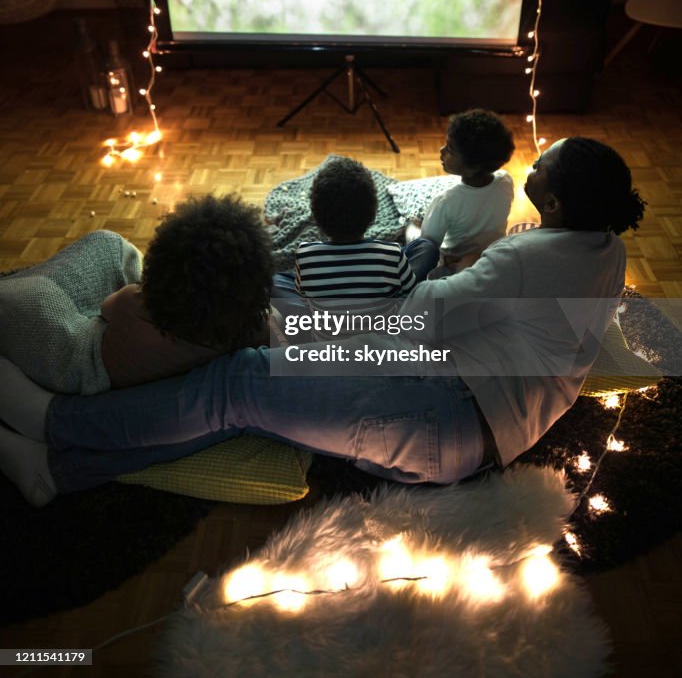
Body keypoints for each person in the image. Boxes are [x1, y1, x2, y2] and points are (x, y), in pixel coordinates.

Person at [0, 138, 645, 508]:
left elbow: (424, 313)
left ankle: (55, 425)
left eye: (543, 165)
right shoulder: (605, 248)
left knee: (239, 383)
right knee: (262, 386)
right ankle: (59, 470)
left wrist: (412, 282)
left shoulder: (527, 256)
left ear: (554, 201)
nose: (530, 165)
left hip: (442, 415)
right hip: (458, 405)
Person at [0, 194, 273, 394]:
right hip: (135, 352)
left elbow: (107, 306)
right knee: (111, 253)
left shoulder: (133, 306)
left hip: (85, 360)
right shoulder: (248, 328)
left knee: (104, 246)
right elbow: (293, 327)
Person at [291, 157, 437, 299]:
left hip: (329, 322)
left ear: (316, 217)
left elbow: (303, 297)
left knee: (280, 280)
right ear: (372, 213)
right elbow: (408, 295)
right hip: (381, 322)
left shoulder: (305, 255)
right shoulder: (392, 254)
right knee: (426, 247)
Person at [417, 108, 515, 272]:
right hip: (490, 255)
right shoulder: (506, 181)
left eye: (450, 149)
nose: (441, 151)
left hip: (452, 262)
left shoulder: (446, 200)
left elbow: (428, 246)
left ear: (473, 167)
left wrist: (416, 228)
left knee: (411, 230)